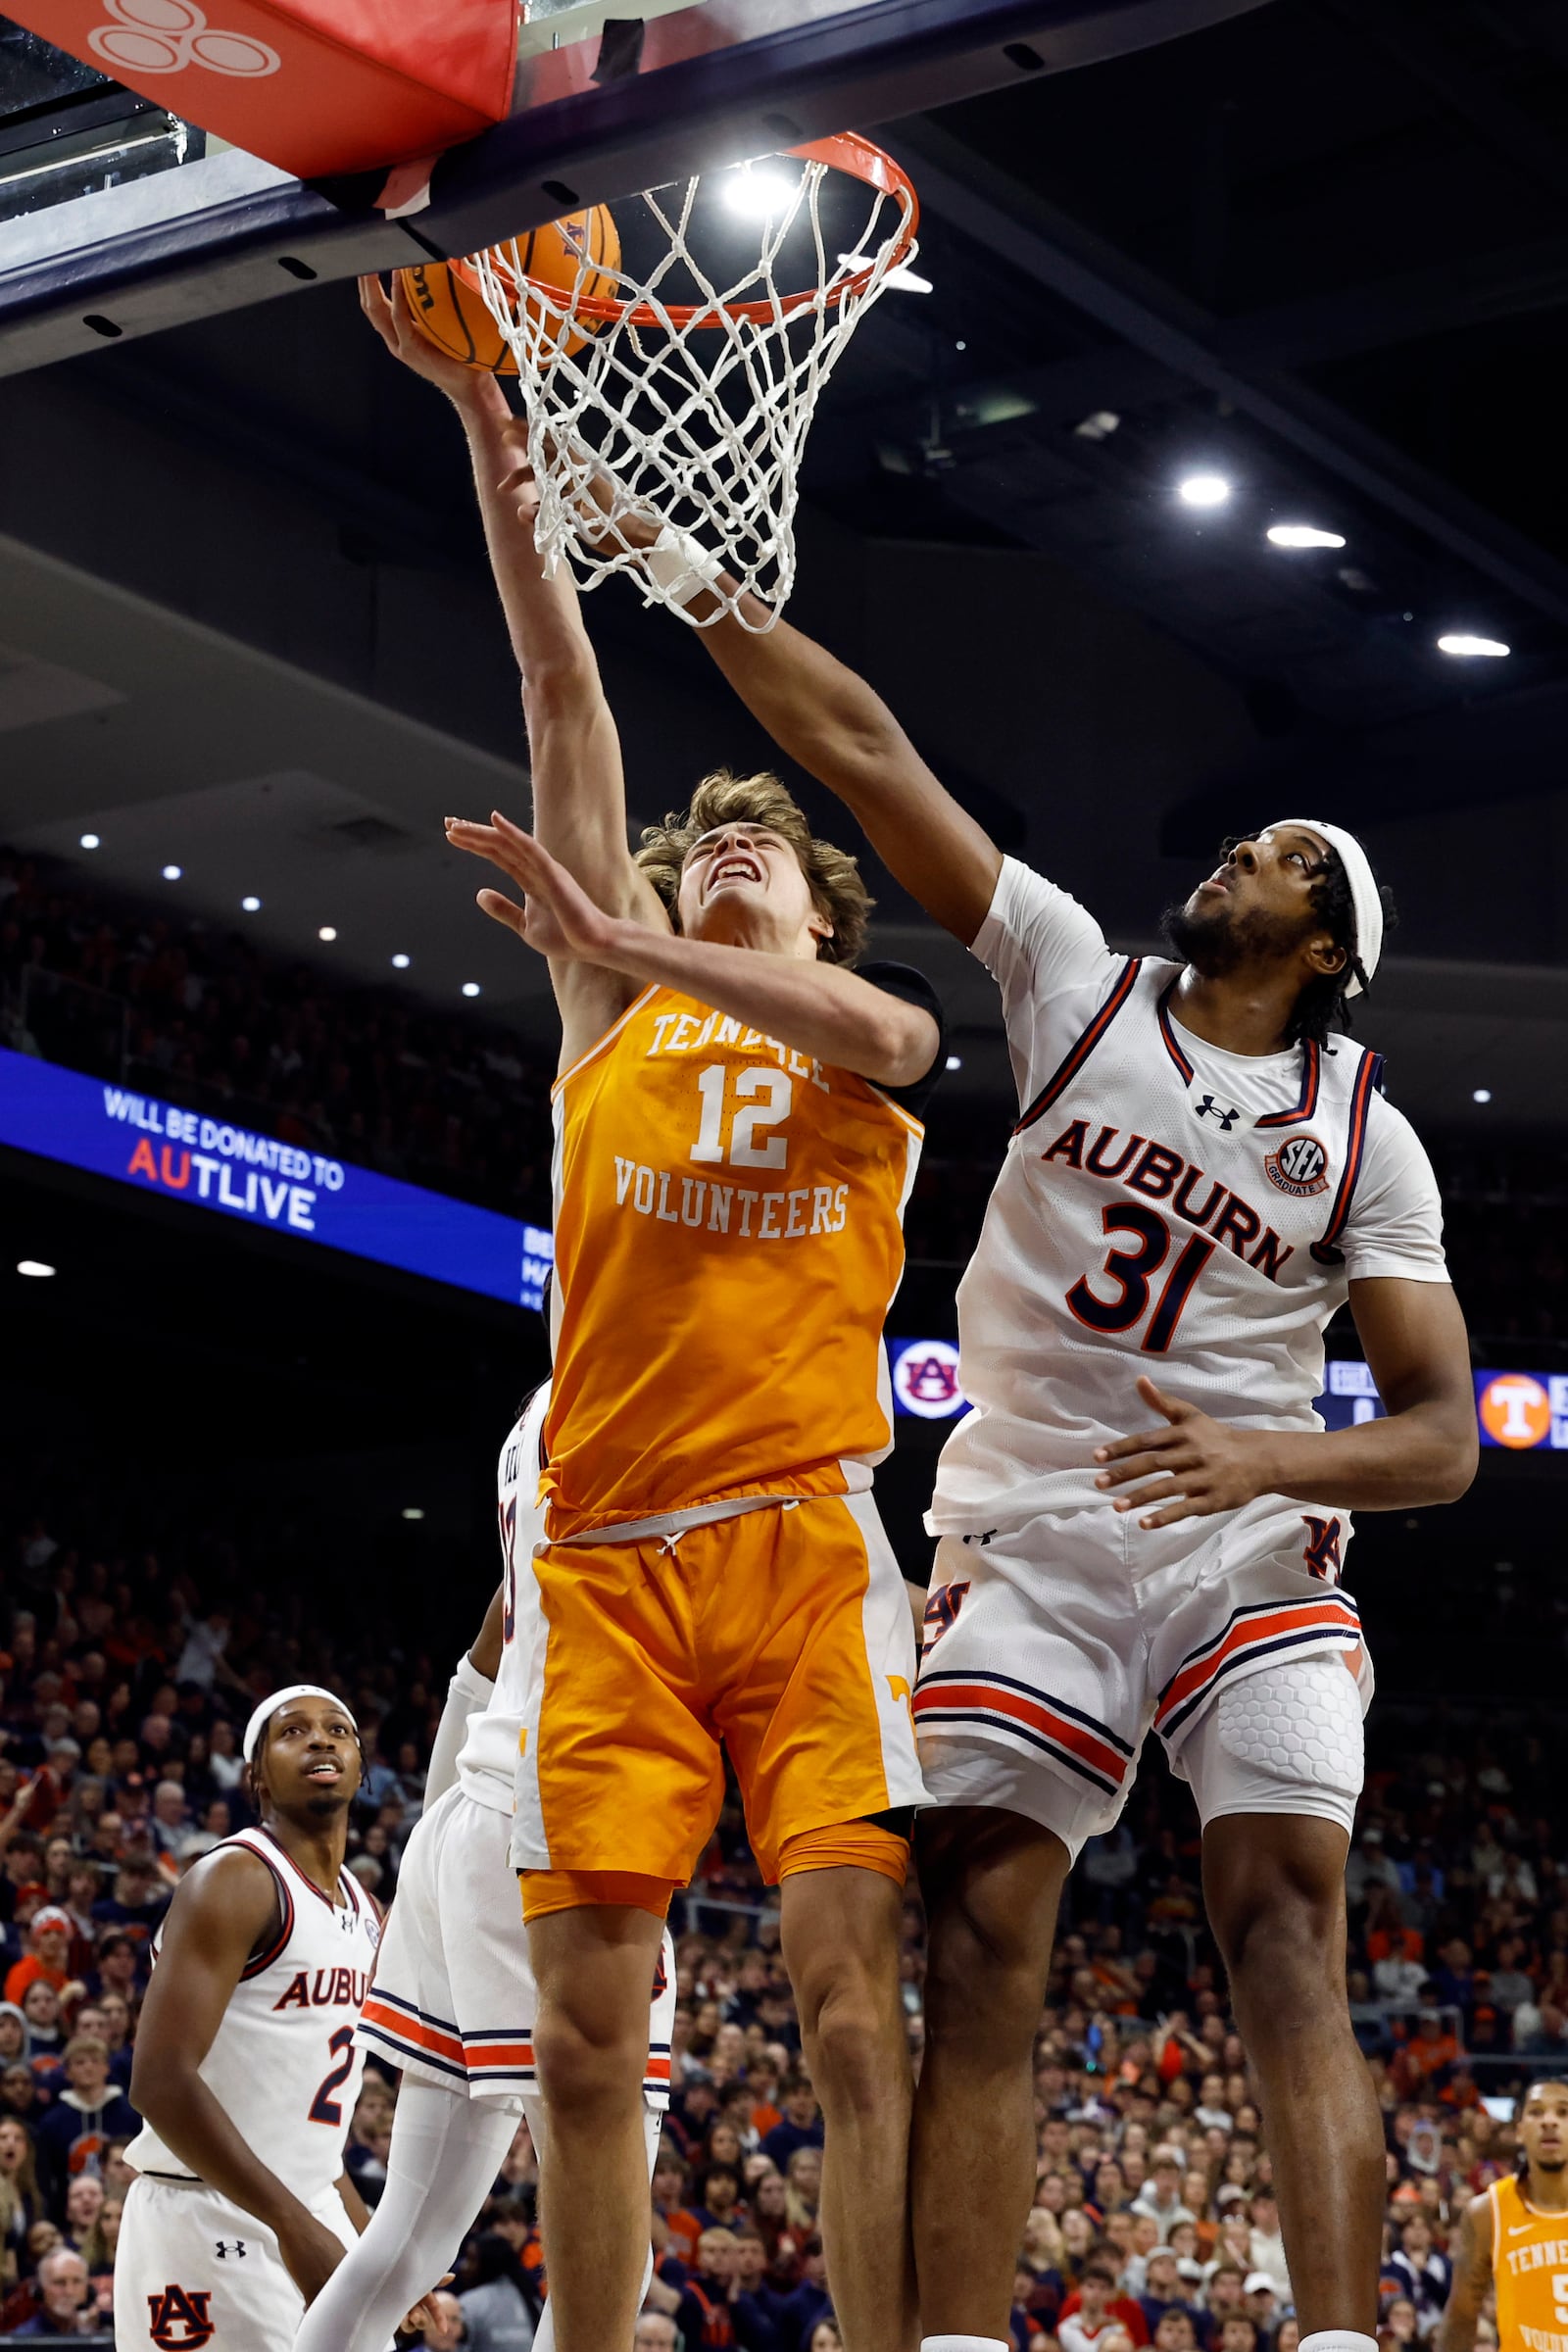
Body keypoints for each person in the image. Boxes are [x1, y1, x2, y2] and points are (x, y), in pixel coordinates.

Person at [647, 540, 1477, 2352]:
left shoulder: (1364, 1139)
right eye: (1238, 840)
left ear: (1325, 945)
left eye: (1275, 857)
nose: (1231, 853)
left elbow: (1440, 1444)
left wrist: (1274, 1464)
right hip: (1032, 1531)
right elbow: (865, 748)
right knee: (979, 1936)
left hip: (1248, 1551)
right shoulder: (1072, 980)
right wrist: (696, 585)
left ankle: (1339, 2339)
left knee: (1282, 1931)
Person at [360, 276, 940, 2352]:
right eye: (691, 869)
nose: (712, 878)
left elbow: (890, 1021)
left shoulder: (858, 1038)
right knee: (588, 2048)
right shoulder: (609, 1002)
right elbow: (556, 686)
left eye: (750, 871)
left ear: (807, 904)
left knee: (849, 2005)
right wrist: (486, 417)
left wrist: (642, 931)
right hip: (605, 1569)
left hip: (800, 1557)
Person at [296, 1381, 677, 2352]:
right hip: (561, 1817)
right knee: (609, 2235)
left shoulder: (535, 1413)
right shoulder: (647, 1385)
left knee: (411, 2237)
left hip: (476, 1804)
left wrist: (441, 1827)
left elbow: (503, 1620)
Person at [114, 1686, 427, 2350]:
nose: (320, 1740)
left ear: (362, 1769)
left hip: (308, 2206)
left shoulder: (367, 1910)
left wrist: (369, 2242)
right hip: (206, 2214)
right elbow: (160, 2081)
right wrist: (295, 2228)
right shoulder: (235, 1878)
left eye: (339, 1730)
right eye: (293, 1731)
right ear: (255, 1774)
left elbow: (310, 2127)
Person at [1438, 2078, 1568, 2352]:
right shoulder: (1488, 2212)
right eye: (1536, 2111)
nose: (1549, 2121)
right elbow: (1461, 2316)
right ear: (1519, 2130)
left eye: (1563, 2112)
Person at [7, 2242, 92, 2336]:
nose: (69, 2291)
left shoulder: (101, 2334)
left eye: (77, 2282)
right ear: (40, 2290)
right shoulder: (23, 2340)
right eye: (59, 2282)